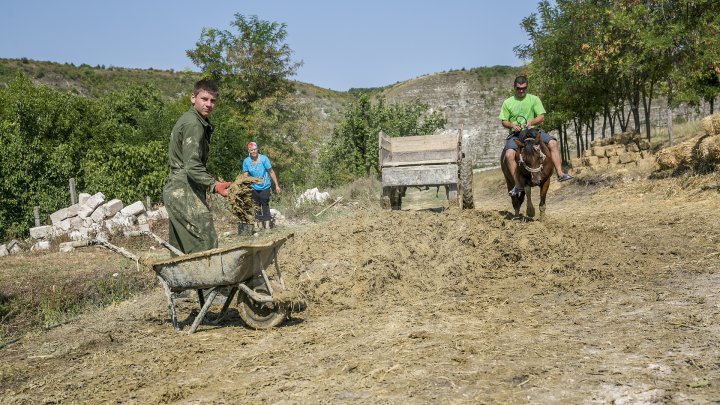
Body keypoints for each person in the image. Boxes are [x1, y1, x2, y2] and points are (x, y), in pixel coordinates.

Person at [163, 79, 231, 254]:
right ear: (193, 98)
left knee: (181, 249)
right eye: (204, 99)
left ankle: (180, 280)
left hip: (179, 188)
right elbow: (192, 165)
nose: (209, 104)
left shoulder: (193, 120)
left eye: (213, 100)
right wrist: (214, 185)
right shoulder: (194, 124)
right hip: (184, 189)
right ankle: (208, 281)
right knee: (205, 242)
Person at [499, 75, 572, 196]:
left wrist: (531, 122)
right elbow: (503, 121)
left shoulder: (534, 99)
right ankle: (517, 185)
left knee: (553, 143)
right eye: (519, 88)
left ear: (527, 87)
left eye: (524, 88)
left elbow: (541, 116)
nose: (521, 90)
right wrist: (512, 125)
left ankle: (560, 173)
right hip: (516, 134)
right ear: (514, 87)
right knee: (509, 154)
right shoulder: (507, 102)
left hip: (533, 131)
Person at [242, 141, 281, 230]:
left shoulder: (264, 159)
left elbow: (271, 171)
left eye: (255, 149)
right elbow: (245, 175)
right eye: (251, 150)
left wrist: (276, 185)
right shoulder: (246, 161)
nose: (253, 151)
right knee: (256, 206)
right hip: (254, 187)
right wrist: (245, 186)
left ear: (257, 149)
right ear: (249, 151)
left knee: (265, 204)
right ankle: (259, 225)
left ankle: (267, 225)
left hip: (265, 185)